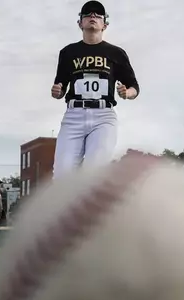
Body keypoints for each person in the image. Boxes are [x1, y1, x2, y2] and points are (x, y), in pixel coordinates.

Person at [50, 0, 140, 179]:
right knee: (62, 173)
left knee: (93, 170)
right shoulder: (68, 52)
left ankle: (92, 205)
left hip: (103, 116)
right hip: (73, 115)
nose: (92, 16)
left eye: (98, 14)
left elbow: (134, 87)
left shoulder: (116, 53)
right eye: (87, 14)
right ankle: (68, 206)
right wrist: (57, 91)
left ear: (105, 24)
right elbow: (61, 86)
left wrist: (126, 93)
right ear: (80, 23)